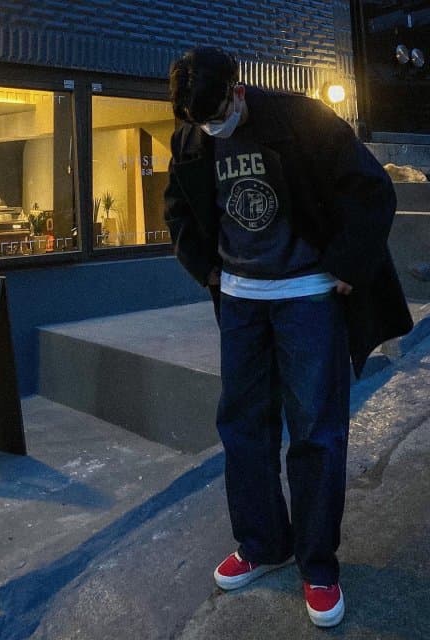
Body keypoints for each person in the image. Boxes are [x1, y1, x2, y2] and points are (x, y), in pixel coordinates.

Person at [164, 46, 413, 628]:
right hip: (241, 302)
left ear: (237, 91)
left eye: (217, 114)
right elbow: (178, 210)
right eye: (200, 121)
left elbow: (373, 190)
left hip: (308, 295)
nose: (211, 127)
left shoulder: (301, 118)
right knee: (242, 427)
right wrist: (207, 270)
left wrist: (347, 265)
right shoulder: (192, 136)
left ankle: (318, 565)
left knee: (316, 430)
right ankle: (262, 543)